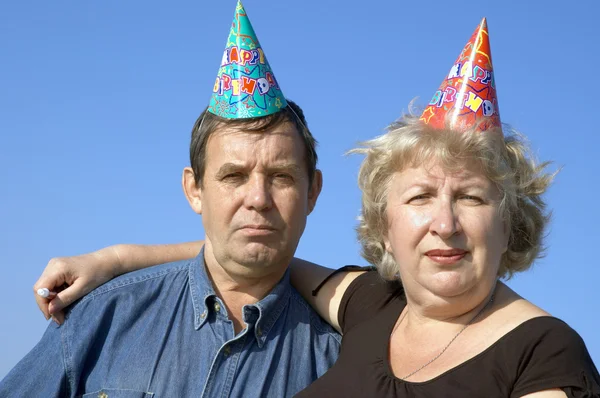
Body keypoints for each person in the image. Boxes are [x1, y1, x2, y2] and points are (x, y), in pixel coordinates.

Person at [27, 19, 600, 397]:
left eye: (471, 196)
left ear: (510, 220)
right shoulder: (372, 304)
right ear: (385, 224)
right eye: (420, 196)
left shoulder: (542, 353)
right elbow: (255, 254)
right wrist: (119, 259)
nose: (444, 223)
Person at [0, 2, 341, 397]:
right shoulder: (102, 318)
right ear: (194, 189)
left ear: (313, 191)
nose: (258, 199)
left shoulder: (343, 359)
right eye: (233, 176)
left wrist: (118, 257)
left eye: (281, 177)